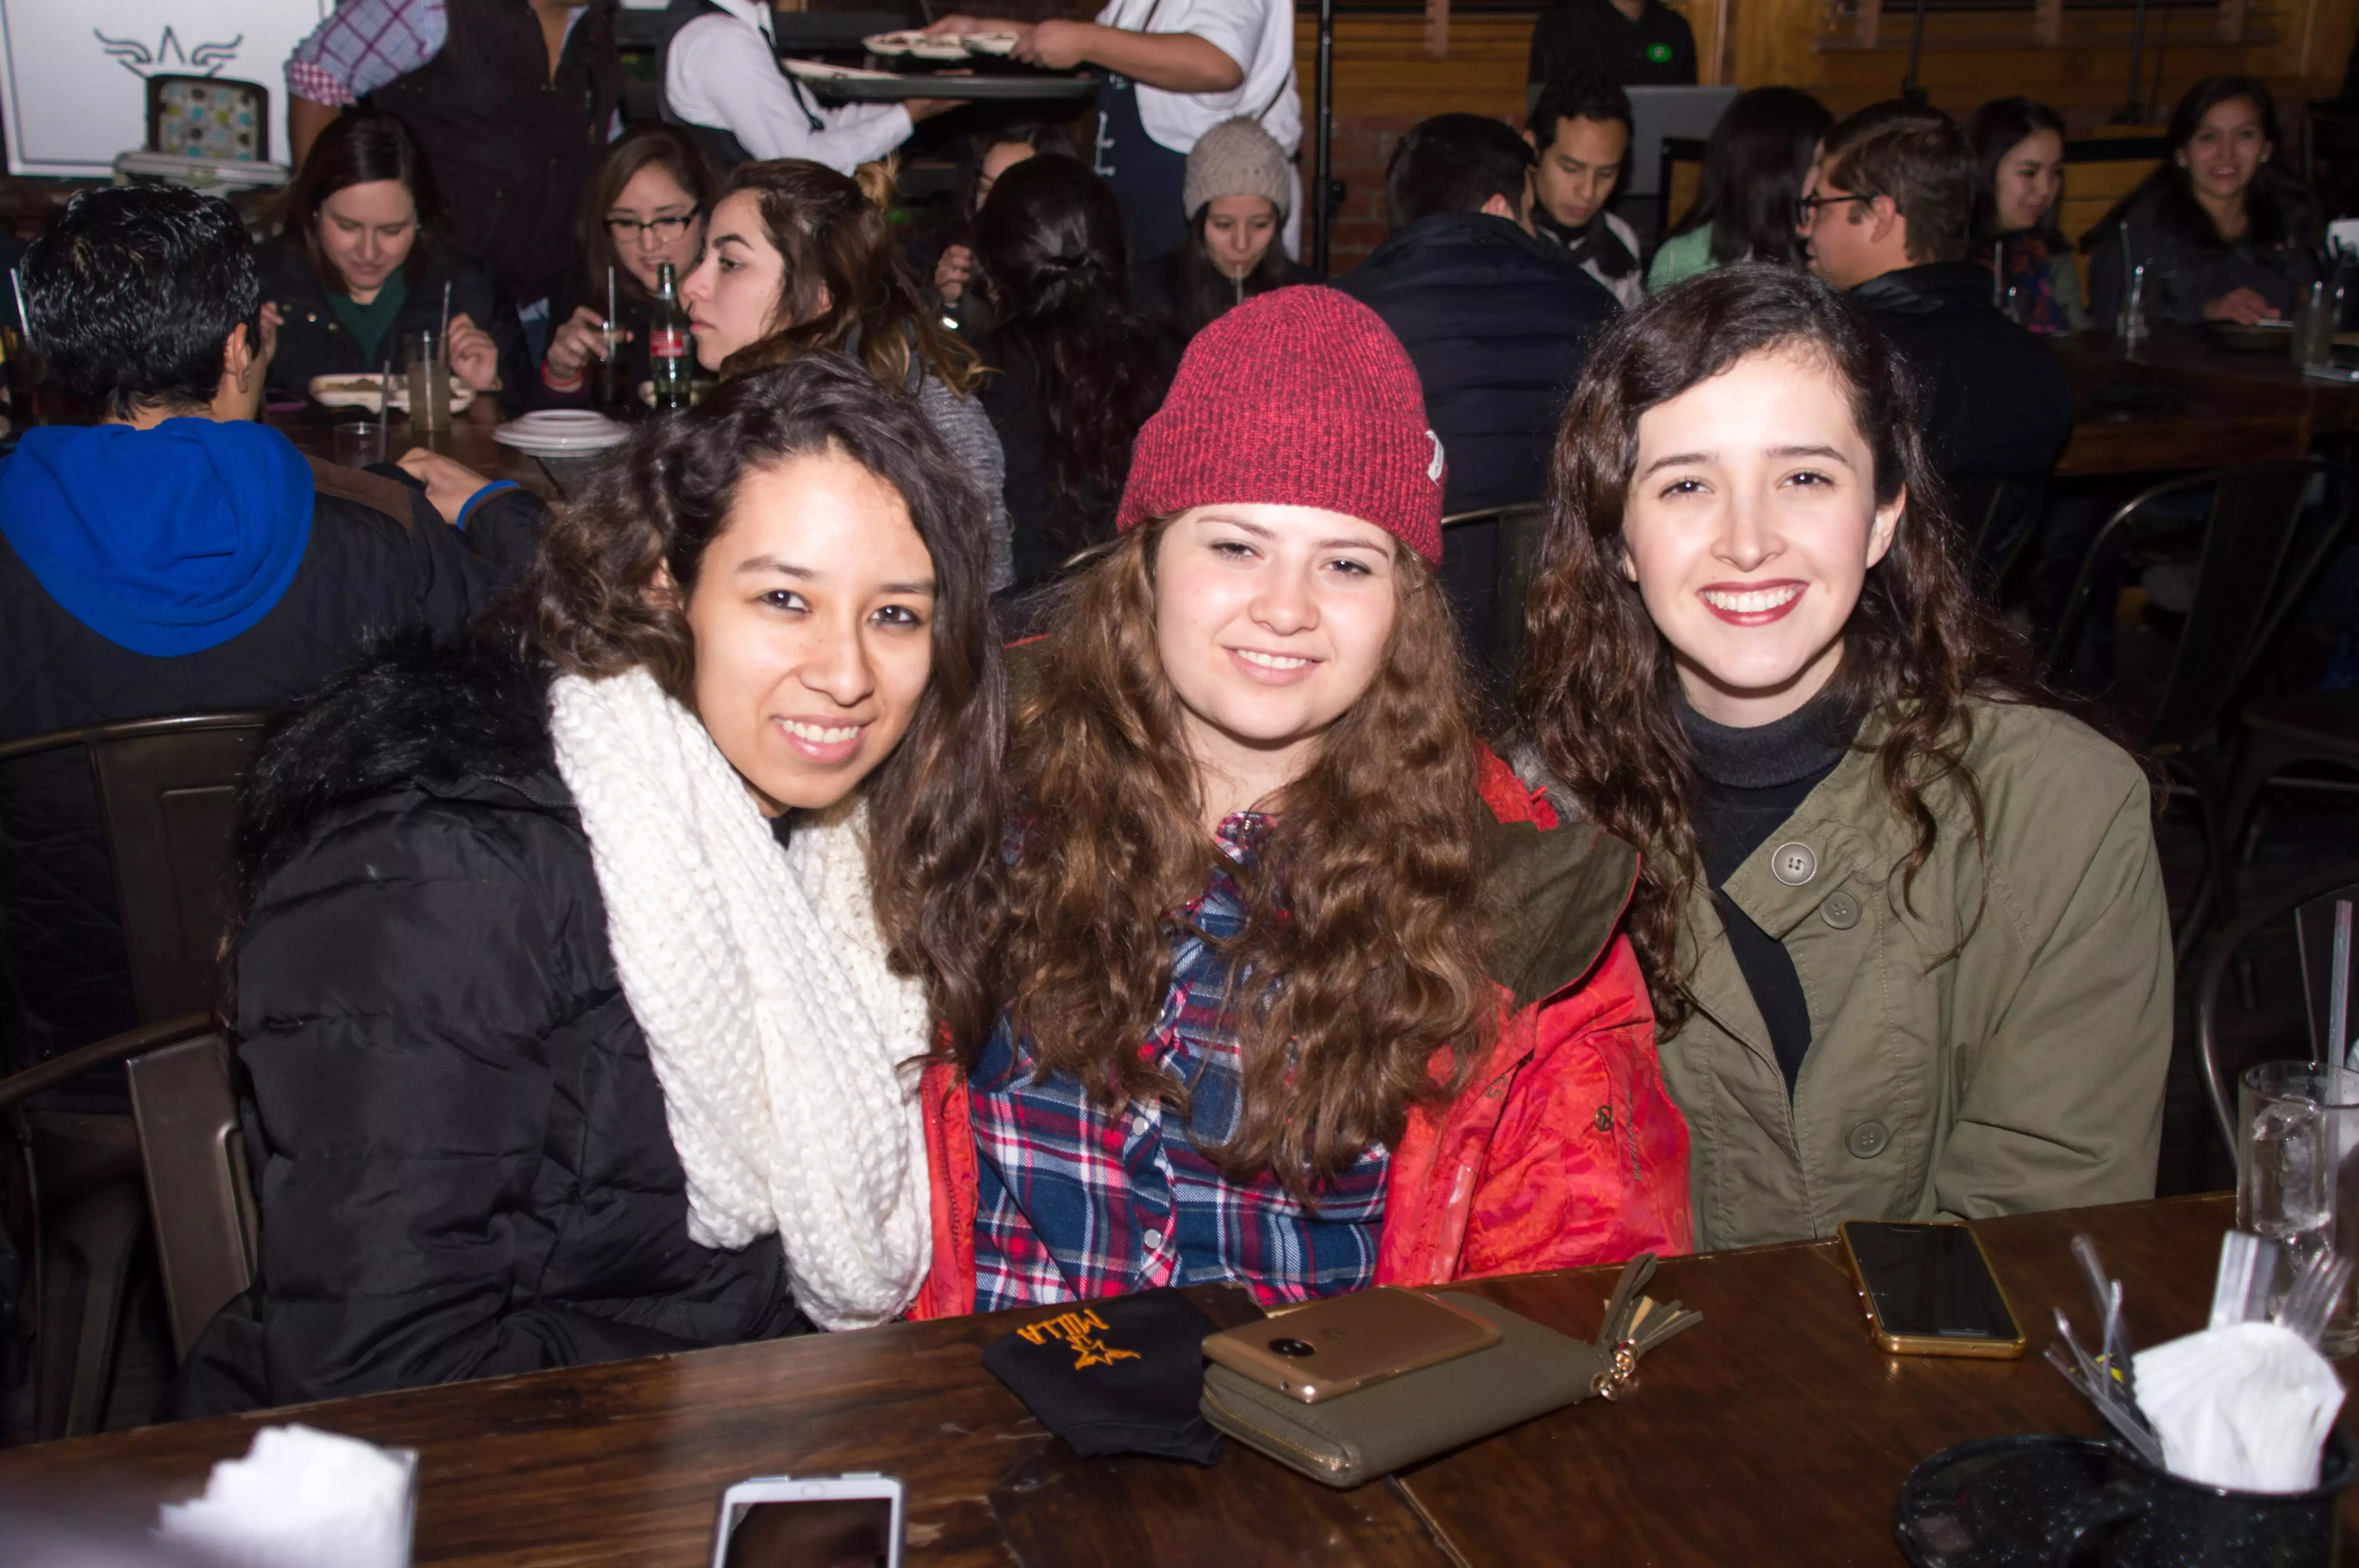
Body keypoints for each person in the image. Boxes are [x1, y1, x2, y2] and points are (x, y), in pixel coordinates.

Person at [176, 355, 1009, 1411]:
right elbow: (381, 1383)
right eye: (785, 598)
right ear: (668, 583)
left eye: (896, 615)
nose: (846, 674)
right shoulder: (453, 873)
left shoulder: (840, 848)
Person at [906, 287, 1691, 1318]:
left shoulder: (1516, 896)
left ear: (1403, 603)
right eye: (1236, 546)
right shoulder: (968, 792)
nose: (1286, 607)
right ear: (1147, 559)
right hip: (994, 1422)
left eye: (1347, 563)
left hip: (1322, 1444)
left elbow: (1582, 1282)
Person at [1514, 265, 2170, 1251]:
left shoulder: (2063, 807)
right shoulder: (1523, 819)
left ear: (1882, 515)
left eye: (1804, 477)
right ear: (1620, 539)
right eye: (1687, 483)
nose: (1747, 541)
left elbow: (2045, 1235)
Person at [0, 184, 545, 1083]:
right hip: (345, 1045)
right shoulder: (384, 537)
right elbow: (529, 698)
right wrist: (495, 510)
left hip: (62, 1071)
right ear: (237, 346)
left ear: (48, 358)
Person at [1339, 113, 1615, 657]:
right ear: (1499, 209)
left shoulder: (1343, 316)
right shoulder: (1597, 306)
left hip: (1406, 641)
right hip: (1569, 634)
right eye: (1530, 215)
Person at [681, 160, 1013, 589]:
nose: (692, 285)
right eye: (702, 257)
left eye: (730, 263)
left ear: (820, 294)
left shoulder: (920, 424)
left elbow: (981, 618)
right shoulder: (772, 404)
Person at [284, 0, 623, 348]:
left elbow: (605, 155)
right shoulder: (429, 7)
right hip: (428, 311)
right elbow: (318, 75)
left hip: (548, 313)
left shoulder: (593, 27)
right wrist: (322, 223)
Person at [1801, 103, 2074, 487]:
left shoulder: (1844, 365)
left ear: (1879, 216)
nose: (1805, 227)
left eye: (1819, 206)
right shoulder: (2039, 366)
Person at [926, 1, 1301, 269]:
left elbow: (1219, 64)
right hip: (1139, 204)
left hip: (1202, 217)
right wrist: (981, 31)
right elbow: (1086, 48)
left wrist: (1086, 41)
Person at [973, 155, 1178, 590]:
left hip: (1019, 638)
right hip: (1145, 623)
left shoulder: (978, 378)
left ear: (993, 265)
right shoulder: (1177, 359)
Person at [260, 112, 533, 411]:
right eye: (347, 227)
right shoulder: (262, 281)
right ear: (313, 212)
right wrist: (246, 375)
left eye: (392, 231)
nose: (368, 253)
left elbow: (522, 431)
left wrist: (486, 391)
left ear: (420, 220)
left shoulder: (469, 291)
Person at [2088, 76, 2321, 330]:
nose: (2227, 153)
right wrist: (2204, 313)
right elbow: (2116, 331)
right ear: (2182, 154)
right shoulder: (2137, 235)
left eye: (2245, 135)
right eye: (2209, 137)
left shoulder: (2292, 224)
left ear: (2266, 149)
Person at [539, 123, 725, 409]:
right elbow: (552, 433)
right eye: (626, 223)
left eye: (668, 221)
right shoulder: (588, 296)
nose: (648, 244)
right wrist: (562, 374)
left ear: (708, 214)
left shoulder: (736, 297)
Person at [661, 0, 951, 172]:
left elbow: (817, 125)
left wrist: (914, 105)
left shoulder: (730, 26)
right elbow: (800, 162)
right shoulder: (722, 40)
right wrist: (908, 116)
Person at [1647, 86, 1831, 292]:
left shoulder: (1827, 247)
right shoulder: (1687, 262)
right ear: (1782, 176)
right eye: (1821, 163)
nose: (1830, 176)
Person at [1138, 115, 1302, 341]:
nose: (1242, 244)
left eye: (1261, 225)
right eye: (1224, 225)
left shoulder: (1305, 298)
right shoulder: (1150, 297)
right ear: (1199, 222)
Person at [918, 123, 1073, 340]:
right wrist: (947, 306)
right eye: (986, 188)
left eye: (1012, 191)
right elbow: (949, 359)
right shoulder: (946, 255)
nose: (993, 204)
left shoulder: (1072, 282)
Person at [1966, 97, 2090, 335]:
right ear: (1985, 169)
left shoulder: (2050, 253)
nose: (2046, 189)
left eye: (2056, 173)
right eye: (2029, 173)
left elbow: (2078, 337)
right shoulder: (1949, 256)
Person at [1525, 71, 1644, 310]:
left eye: (1606, 174)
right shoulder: (1496, 235)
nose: (1588, 193)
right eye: (1571, 169)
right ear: (1532, 148)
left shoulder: (1620, 240)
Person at [1527, 0, 1696, 94]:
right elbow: (1544, 112)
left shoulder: (1676, 28)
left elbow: (1686, 109)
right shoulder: (1561, 23)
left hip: (1658, 150)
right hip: (1587, 151)